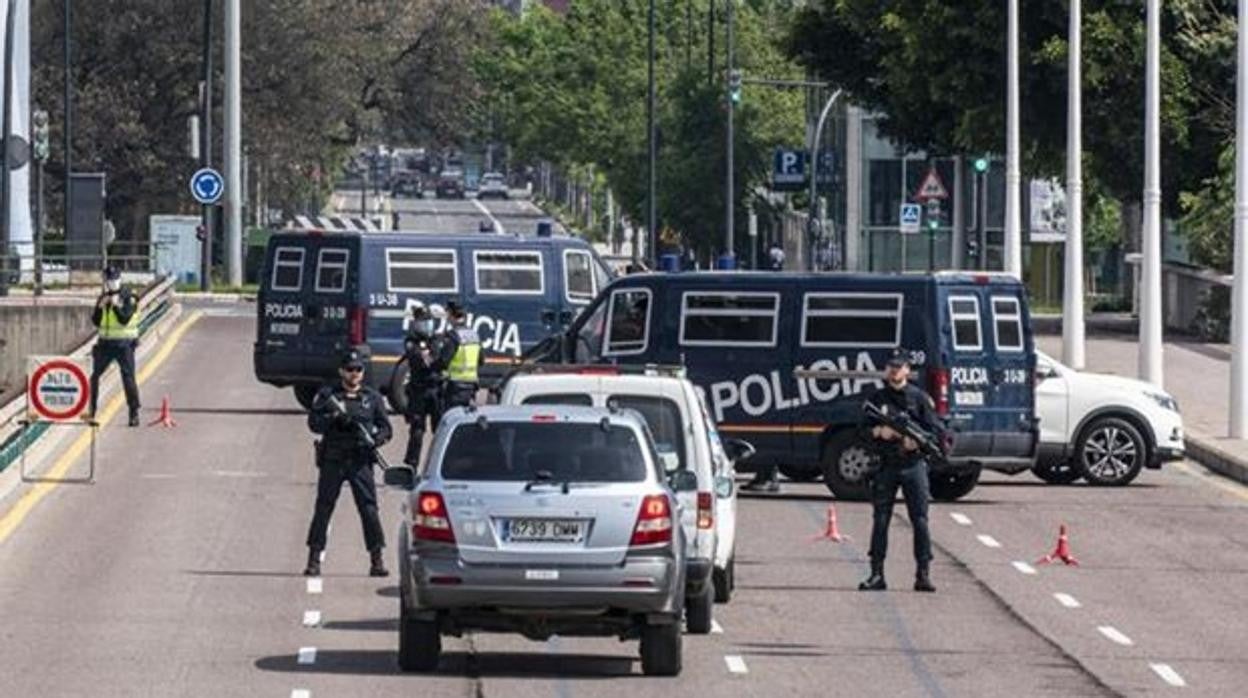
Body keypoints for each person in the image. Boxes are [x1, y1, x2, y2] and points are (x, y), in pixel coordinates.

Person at [858, 348, 945, 593]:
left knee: (919, 521)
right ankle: (876, 574)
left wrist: (916, 441)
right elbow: (861, 430)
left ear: (908, 370)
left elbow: (936, 430)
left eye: (900, 366)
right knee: (881, 520)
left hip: (913, 464)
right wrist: (879, 432)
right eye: (891, 366)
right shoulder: (877, 399)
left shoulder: (919, 399)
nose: (895, 370)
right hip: (886, 465)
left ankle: (923, 573)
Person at [304, 350, 393, 578]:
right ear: (341, 371)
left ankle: (377, 559)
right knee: (324, 508)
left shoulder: (371, 397)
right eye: (350, 369)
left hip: (360, 460)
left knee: (369, 509)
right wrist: (333, 419)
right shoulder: (328, 396)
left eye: (358, 369)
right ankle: (314, 559)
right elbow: (313, 423)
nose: (355, 374)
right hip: (334, 459)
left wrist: (375, 439)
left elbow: (386, 428)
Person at [401, 302, 453, 466]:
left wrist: (433, 359)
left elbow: (442, 360)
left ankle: (440, 465)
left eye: (428, 322)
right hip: (419, 391)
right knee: (417, 431)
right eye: (422, 322)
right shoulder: (411, 342)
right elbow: (424, 362)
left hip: (436, 391)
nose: (426, 326)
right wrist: (432, 359)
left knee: (440, 431)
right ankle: (411, 465)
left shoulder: (437, 340)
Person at [89, 266, 142, 426]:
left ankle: (134, 412)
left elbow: (124, 319)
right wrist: (100, 307)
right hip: (105, 344)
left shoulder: (129, 296)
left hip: (124, 345)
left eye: (114, 279)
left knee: (128, 378)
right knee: (94, 377)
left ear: (120, 278)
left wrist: (115, 306)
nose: (112, 282)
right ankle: (91, 411)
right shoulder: (104, 297)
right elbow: (96, 321)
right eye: (109, 279)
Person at [440, 301, 483, 412]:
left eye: (448, 314)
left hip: (455, 387)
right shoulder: (474, 335)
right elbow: (481, 361)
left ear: (452, 315)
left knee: (451, 418)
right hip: (471, 388)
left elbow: (443, 362)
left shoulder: (453, 336)